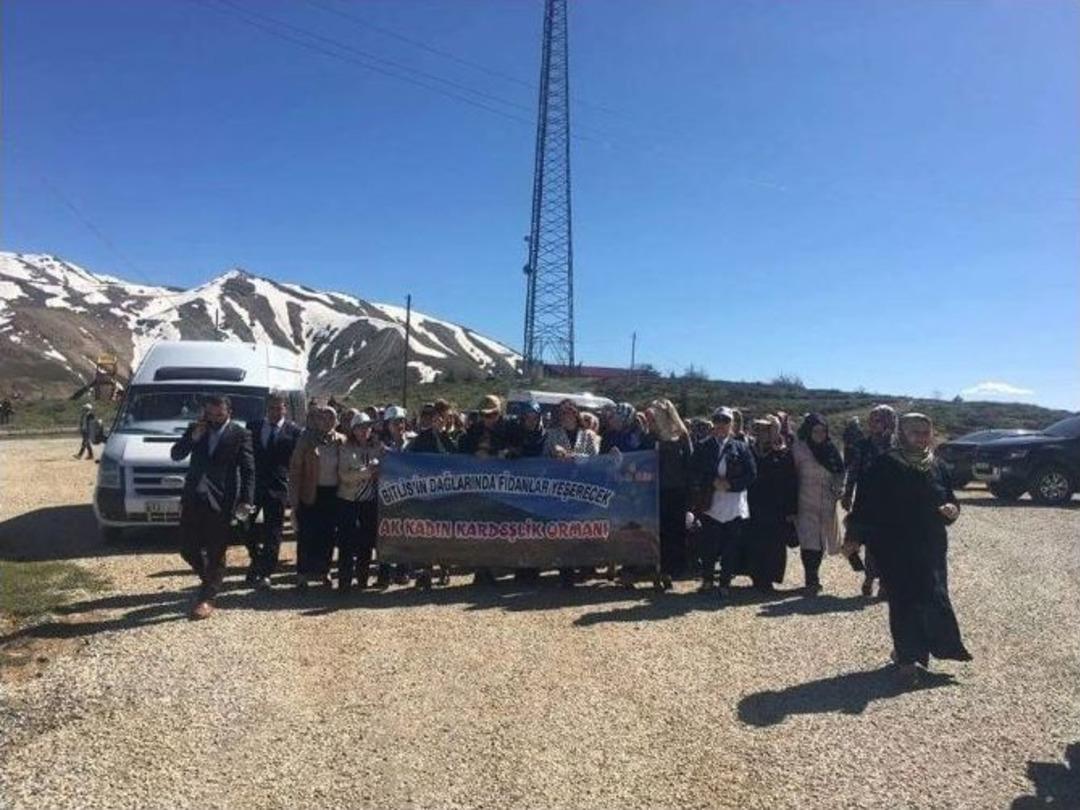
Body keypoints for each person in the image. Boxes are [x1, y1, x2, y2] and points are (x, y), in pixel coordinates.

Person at [847, 413, 971, 682]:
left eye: (926, 432)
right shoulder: (885, 464)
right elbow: (865, 503)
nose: (921, 437)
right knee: (904, 600)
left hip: (931, 546)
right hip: (895, 546)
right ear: (902, 433)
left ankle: (915, 650)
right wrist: (854, 535)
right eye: (915, 432)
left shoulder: (936, 465)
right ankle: (907, 660)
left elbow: (949, 499)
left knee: (932, 597)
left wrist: (952, 510)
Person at [170, 395, 255, 620]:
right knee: (187, 548)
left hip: (222, 500)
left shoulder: (240, 434)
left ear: (229, 412)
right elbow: (176, 454)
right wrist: (192, 438)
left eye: (219, 414)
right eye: (210, 414)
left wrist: (246, 499)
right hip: (193, 497)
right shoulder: (196, 429)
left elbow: (248, 469)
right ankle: (210, 580)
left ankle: (207, 598)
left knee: (217, 551)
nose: (214, 418)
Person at [690, 407, 757, 597]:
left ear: (731, 424)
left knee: (730, 546)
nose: (721, 425)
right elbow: (693, 471)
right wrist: (711, 481)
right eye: (718, 420)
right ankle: (708, 580)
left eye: (725, 421)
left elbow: (751, 474)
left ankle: (725, 582)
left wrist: (731, 484)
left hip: (734, 505)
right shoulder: (703, 447)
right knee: (708, 545)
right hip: (710, 503)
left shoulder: (741, 447)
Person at [244, 393, 301, 589]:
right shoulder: (253, 427)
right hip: (254, 487)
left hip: (278, 488)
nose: (276, 412)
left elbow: (296, 463)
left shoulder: (294, 431)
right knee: (244, 524)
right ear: (266, 408)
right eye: (272, 408)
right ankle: (256, 559)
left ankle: (266, 572)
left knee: (273, 531)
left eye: (279, 408)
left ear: (285, 408)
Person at [841, 404, 897, 597]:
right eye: (871, 420)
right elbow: (853, 471)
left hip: (889, 503)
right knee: (851, 544)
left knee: (880, 544)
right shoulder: (862, 446)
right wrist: (847, 493)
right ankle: (867, 575)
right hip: (864, 501)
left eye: (878, 420)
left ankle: (878, 581)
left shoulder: (896, 447)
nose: (873, 424)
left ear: (889, 422)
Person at [544, 399, 601, 586]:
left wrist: (575, 457)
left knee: (583, 527)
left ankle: (584, 566)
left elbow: (595, 458)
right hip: (561, 487)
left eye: (570, 411)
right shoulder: (552, 434)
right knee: (564, 529)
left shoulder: (587, 435)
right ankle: (565, 570)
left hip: (584, 487)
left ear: (576, 413)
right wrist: (555, 456)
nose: (567, 414)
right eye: (563, 412)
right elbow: (543, 458)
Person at [288, 405, 343, 589]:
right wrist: (293, 500)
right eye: (323, 418)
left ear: (336, 421)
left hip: (333, 494)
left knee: (327, 536)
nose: (326, 421)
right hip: (310, 493)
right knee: (307, 534)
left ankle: (324, 571)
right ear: (316, 420)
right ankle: (302, 574)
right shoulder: (305, 440)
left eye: (331, 418)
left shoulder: (341, 441)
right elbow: (295, 470)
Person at [792, 413, 846, 594]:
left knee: (821, 541)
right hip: (804, 501)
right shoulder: (799, 449)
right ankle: (811, 578)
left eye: (823, 431)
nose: (819, 434)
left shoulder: (831, 450)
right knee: (809, 541)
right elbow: (791, 474)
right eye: (816, 431)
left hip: (827, 503)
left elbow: (840, 472)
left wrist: (839, 488)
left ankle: (814, 575)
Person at [407, 402, 456, 589]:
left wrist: (442, 434)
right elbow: (408, 457)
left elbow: (456, 455)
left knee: (444, 532)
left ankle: (444, 569)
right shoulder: (422, 437)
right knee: (425, 533)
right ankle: (425, 572)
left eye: (436, 417)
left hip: (447, 492)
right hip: (426, 492)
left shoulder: (450, 436)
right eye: (429, 417)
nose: (432, 420)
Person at [747, 416, 798, 593]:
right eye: (760, 430)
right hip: (753, 504)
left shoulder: (783, 454)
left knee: (774, 544)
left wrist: (792, 509)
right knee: (754, 541)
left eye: (768, 430)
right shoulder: (749, 451)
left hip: (776, 507)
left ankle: (768, 578)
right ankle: (755, 576)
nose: (764, 434)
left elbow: (791, 483)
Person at [336, 412, 383, 592]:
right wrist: (367, 472)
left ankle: (362, 578)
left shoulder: (376, 448)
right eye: (361, 427)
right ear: (354, 430)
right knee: (346, 542)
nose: (365, 431)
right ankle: (344, 580)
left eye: (367, 427)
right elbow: (344, 475)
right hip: (348, 500)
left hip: (368, 502)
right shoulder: (346, 449)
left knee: (366, 541)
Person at [650, 399, 694, 588]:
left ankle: (673, 570)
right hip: (656, 491)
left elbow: (690, 464)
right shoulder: (653, 437)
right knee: (658, 533)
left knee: (675, 531)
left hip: (677, 491)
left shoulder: (682, 437)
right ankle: (659, 571)